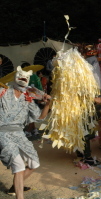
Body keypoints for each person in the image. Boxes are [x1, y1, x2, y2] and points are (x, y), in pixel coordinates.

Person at [0, 66, 51, 199]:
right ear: (15, 77)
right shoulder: (3, 93)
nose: (23, 79)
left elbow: (39, 118)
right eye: (21, 76)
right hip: (3, 133)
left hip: (19, 134)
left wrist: (47, 105)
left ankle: (15, 186)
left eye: (26, 77)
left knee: (34, 163)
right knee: (19, 165)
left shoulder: (27, 98)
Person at [75, 45, 101, 166]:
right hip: (82, 104)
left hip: (84, 103)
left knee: (84, 128)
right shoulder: (80, 70)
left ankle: (80, 151)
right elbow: (78, 90)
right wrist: (94, 98)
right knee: (85, 129)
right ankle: (87, 157)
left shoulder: (81, 68)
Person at [20, 63, 44, 137]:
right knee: (29, 115)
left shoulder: (35, 77)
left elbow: (39, 88)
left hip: (34, 99)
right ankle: (34, 129)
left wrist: (41, 98)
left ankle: (29, 131)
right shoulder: (21, 77)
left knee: (31, 115)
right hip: (25, 99)